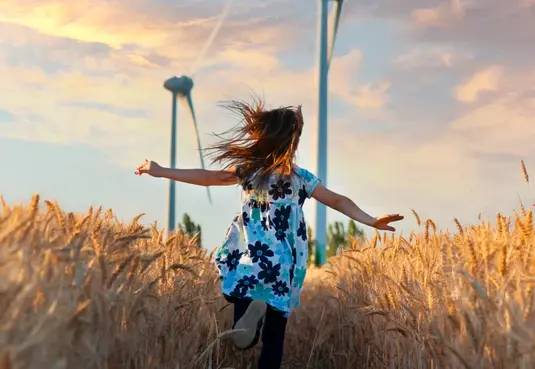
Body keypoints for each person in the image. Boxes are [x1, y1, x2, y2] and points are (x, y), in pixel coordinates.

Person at [135, 97, 403, 369]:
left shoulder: (250, 171)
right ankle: (263, 321)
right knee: (274, 341)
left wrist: (160, 171)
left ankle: (246, 323)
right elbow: (337, 200)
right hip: (282, 264)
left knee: (242, 322)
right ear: (292, 143)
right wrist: (371, 220)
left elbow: (207, 177)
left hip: (251, 257)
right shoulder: (301, 178)